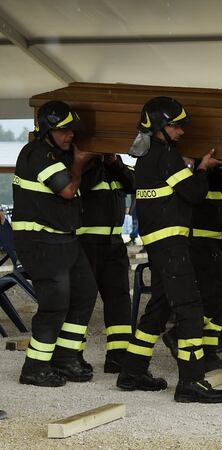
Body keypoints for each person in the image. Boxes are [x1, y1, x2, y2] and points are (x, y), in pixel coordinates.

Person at [116, 96, 222, 404]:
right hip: (171, 245)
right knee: (190, 309)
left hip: (158, 243)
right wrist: (203, 169)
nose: (181, 133)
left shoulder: (147, 156)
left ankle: (132, 370)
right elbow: (193, 194)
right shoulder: (166, 156)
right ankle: (191, 382)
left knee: (159, 308)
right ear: (159, 127)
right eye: (176, 127)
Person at [12, 100, 98, 387]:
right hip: (40, 241)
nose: (70, 135)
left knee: (85, 293)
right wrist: (79, 163)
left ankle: (66, 357)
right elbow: (67, 190)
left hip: (64, 239)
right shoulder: (37, 153)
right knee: (54, 304)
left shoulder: (56, 153)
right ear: (46, 130)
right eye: (63, 131)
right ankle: (35, 367)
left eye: (71, 130)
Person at [162, 160, 222, 374]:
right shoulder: (198, 167)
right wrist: (205, 166)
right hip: (203, 240)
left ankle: (208, 351)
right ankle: (178, 334)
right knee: (218, 294)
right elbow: (196, 192)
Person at [78, 153, 135, 374]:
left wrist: (114, 163)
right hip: (86, 243)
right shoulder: (80, 164)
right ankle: (72, 355)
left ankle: (118, 356)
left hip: (114, 243)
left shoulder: (116, 167)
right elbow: (79, 186)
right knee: (82, 301)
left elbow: (134, 184)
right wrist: (94, 161)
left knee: (119, 299)